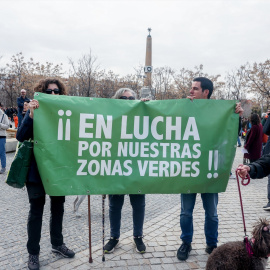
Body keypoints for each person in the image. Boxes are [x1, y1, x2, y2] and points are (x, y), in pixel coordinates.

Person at [177, 77, 243, 261]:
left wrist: (235, 116)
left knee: (212, 213)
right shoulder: (184, 107)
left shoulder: (219, 112)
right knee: (185, 212)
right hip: (187, 169)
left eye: (195, 89)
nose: (191, 91)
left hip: (209, 170)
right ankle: (186, 242)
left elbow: (230, 134)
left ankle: (212, 245)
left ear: (206, 92)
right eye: (191, 88)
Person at [16, 79, 75, 270]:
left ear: (61, 93)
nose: (53, 95)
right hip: (36, 171)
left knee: (58, 209)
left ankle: (57, 244)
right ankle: (33, 253)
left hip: (58, 169)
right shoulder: (34, 110)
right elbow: (20, 136)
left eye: (56, 91)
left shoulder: (67, 113)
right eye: (48, 92)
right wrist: (31, 114)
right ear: (42, 93)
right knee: (36, 212)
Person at [103, 88, 146, 254]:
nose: (128, 100)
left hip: (136, 168)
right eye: (123, 97)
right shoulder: (110, 116)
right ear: (116, 99)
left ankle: (138, 236)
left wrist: (147, 108)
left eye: (131, 98)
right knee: (114, 205)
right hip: (116, 167)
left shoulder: (140, 115)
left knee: (139, 205)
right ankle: (114, 237)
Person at [0, 103, 9, 174]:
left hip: (1, 136)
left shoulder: (4, 115)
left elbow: (7, 125)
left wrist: (0, 125)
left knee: (2, 152)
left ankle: (3, 167)